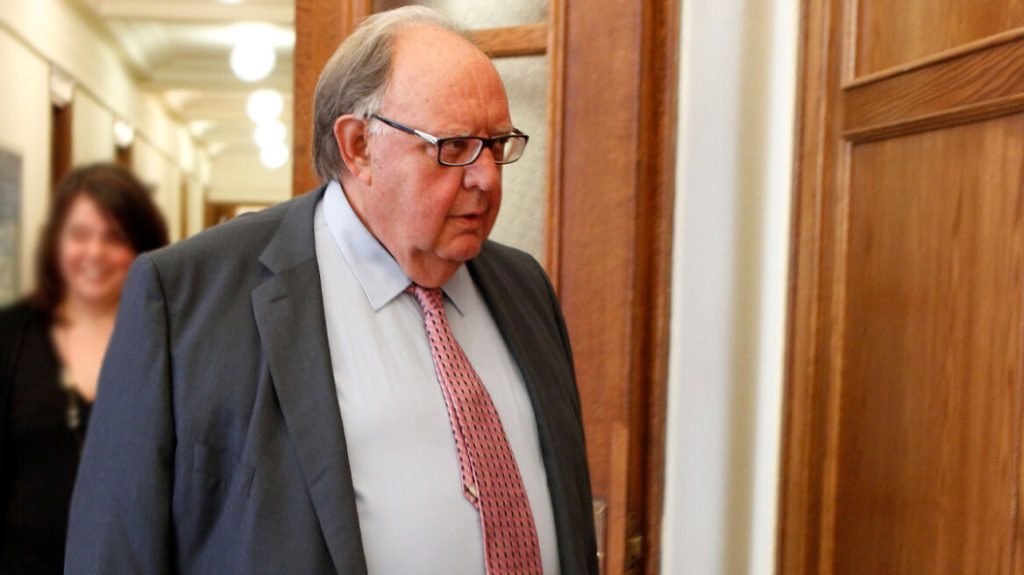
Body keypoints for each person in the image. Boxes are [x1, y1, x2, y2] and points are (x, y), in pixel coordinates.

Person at [65, 7, 597, 575]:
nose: (487, 177)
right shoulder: (185, 299)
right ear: (359, 146)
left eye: (497, 144)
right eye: (455, 146)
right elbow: (114, 553)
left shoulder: (525, 290)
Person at [0, 163, 168, 573]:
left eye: (114, 237)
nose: (94, 252)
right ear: (55, 242)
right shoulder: (10, 338)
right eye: (79, 235)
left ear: (144, 247)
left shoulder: (170, 341)